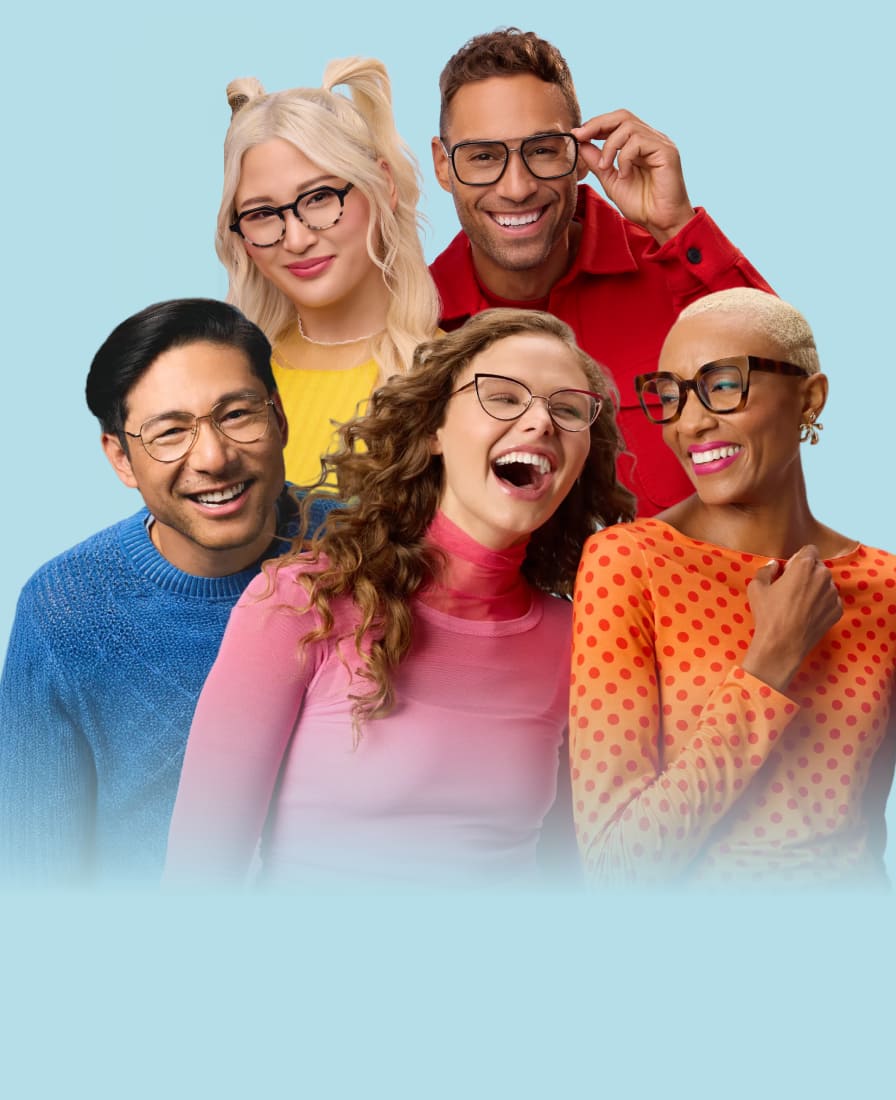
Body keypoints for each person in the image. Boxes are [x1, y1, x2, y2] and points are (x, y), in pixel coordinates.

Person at [165, 309, 635, 887]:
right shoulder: (302, 603)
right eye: (506, 398)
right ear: (435, 429)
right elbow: (198, 875)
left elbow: (579, 873)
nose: (540, 422)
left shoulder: (577, 638)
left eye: (566, 409)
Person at [569, 288, 896, 886]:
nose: (690, 421)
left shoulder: (885, 587)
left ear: (810, 398)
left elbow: (863, 834)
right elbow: (616, 869)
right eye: (670, 395)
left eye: (723, 385)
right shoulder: (629, 562)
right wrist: (770, 661)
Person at [0, 298, 310, 884]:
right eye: (169, 432)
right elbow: (35, 879)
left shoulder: (371, 551)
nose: (214, 458)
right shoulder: (63, 609)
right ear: (121, 457)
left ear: (280, 418)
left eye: (238, 415)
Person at [430, 27, 775, 516]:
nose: (516, 187)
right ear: (443, 166)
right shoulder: (418, 320)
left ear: (580, 155)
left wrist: (675, 224)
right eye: (483, 157)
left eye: (543, 150)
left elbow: (786, 397)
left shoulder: (674, 270)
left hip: (691, 587)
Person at [217, 57, 439, 488]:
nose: (296, 239)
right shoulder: (227, 383)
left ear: (384, 185)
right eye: (262, 213)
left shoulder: (454, 380)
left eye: (319, 198)